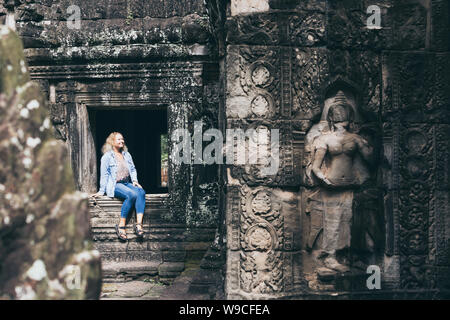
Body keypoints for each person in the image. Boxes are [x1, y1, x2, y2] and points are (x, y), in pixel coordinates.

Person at [309, 91, 373, 272]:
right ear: (331, 117)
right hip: (331, 185)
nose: (340, 116)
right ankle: (329, 257)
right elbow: (316, 166)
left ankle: (348, 256)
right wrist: (323, 178)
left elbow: (370, 159)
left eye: (343, 112)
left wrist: (368, 141)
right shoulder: (325, 139)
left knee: (349, 221)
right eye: (337, 113)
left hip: (350, 184)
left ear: (350, 114)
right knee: (332, 222)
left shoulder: (355, 138)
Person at [92, 132, 146, 241]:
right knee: (131, 195)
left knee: (141, 192)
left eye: (122, 139)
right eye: (118, 140)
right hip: (115, 185)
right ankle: (121, 225)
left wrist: (135, 181)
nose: (122, 141)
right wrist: (101, 191)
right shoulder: (107, 157)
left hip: (127, 183)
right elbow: (104, 174)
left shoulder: (127, 154)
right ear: (112, 142)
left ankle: (139, 224)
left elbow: (132, 169)